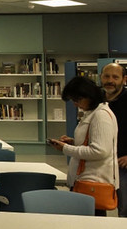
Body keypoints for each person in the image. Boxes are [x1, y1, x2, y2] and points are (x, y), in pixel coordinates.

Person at [48, 76, 118, 216]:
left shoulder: (100, 116)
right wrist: (73, 142)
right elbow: (95, 142)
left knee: (91, 224)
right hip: (87, 180)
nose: (75, 104)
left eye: (77, 100)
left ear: (89, 96)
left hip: (93, 182)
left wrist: (66, 148)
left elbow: (100, 151)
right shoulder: (92, 113)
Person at [101, 63, 127, 216]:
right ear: (101, 78)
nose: (110, 80)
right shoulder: (97, 101)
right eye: (106, 76)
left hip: (123, 166)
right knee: (99, 205)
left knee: (125, 209)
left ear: (124, 80)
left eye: (115, 77)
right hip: (102, 164)